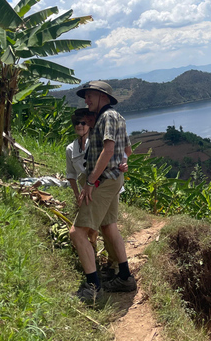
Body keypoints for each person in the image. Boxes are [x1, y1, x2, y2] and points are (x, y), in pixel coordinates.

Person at [69, 81, 135, 302]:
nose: (86, 100)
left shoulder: (106, 117)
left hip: (103, 180)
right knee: (108, 225)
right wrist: (122, 162)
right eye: (85, 96)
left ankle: (93, 288)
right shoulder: (117, 117)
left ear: (103, 97)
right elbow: (127, 149)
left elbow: (108, 150)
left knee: (77, 232)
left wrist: (90, 182)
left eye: (90, 96)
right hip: (114, 178)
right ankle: (124, 277)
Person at [65, 108, 124, 276]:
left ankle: (113, 265)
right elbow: (71, 175)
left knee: (106, 225)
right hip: (87, 188)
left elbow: (113, 156)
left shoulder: (97, 142)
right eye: (77, 123)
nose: (80, 125)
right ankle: (101, 262)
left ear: (90, 125)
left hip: (102, 185)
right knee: (95, 227)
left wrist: (123, 164)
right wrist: (77, 194)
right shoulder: (70, 149)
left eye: (83, 122)